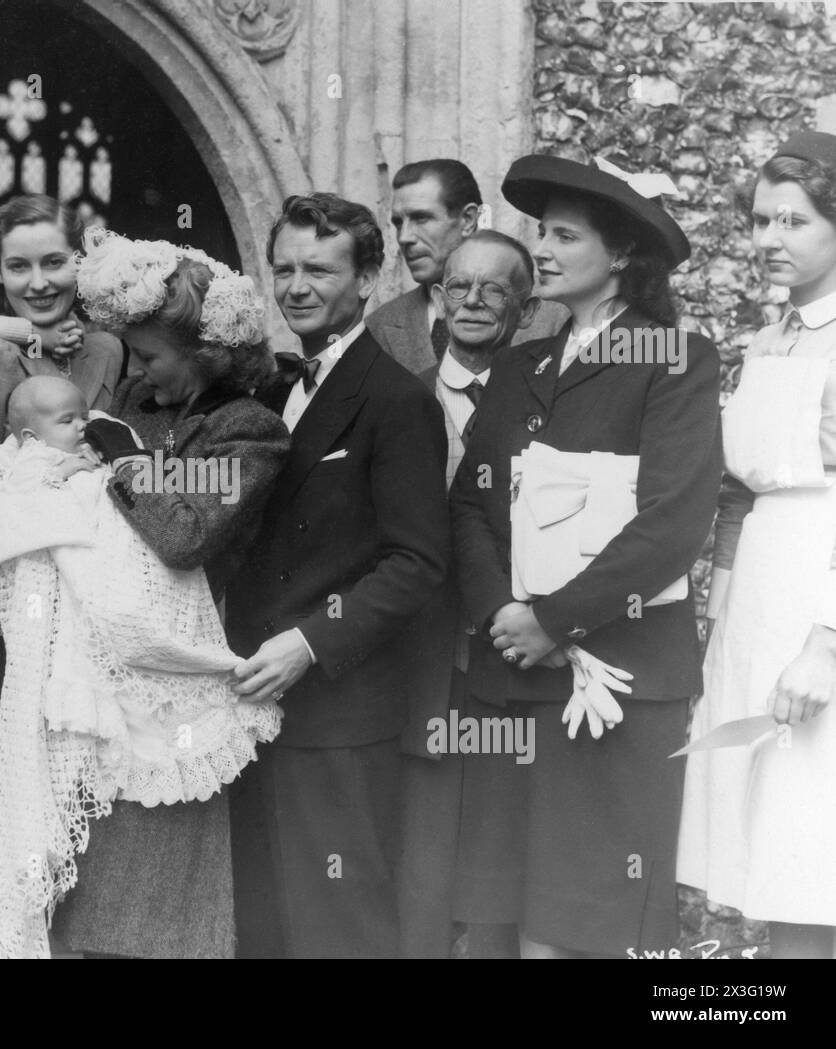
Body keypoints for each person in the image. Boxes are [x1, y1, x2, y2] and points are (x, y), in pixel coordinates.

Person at [449, 154, 722, 958]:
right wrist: (504, 612)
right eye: (540, 230)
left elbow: (673, 522)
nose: (542, 247)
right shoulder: (520, 366)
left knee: (577, 929)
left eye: (565, 235)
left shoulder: (675, 359)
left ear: (624, 255)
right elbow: (471, 502)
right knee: (495, 922)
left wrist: (556, 620)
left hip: (616, 687)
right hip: (513, 681)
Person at [0, 375, 281, 957]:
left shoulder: (194, 431)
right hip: (59, 640)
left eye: (83, 415)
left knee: (144, 887)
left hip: (132, 622)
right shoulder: (21, 460)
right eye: (66, 421)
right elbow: (4, 512)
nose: (84, 426)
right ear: (27, 434)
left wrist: (108, 469)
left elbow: (174, 533)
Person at [38, 229, 290, 958]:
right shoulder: (142, 404)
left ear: (206, 355)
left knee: (158, 914)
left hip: (177, 695)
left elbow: (184, 536)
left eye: (150, 356)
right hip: (100, 679)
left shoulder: (247, 430)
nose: (138, 371)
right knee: (85, 911)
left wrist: (123, 462)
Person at [227, 193, 450, 958]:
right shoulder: (265, 393)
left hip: (338, 710)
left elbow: (416, 561)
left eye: (318, 269)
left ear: (366, 279)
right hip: (249, 700)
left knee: (339, 930)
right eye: (283, 268)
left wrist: (310, 644)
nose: (296, 286)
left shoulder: (397, 399)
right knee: (263, 927)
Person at [679, 131, 836, 960]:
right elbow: (738, 492)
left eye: (795, 221)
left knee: (814, 857)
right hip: (758, 607)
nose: (769, 239)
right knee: (766, 860)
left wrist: (823, 645)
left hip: (819, 605)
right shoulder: (770, 337)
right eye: (761, 220)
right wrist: (722, 620)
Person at [398, 230, 543, 958]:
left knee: (499, 861)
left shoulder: (549, 400)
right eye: (460, 287)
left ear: (526, 305)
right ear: (438, 296)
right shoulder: (401, 398)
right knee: (421, 858)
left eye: (496, 290)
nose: (475, 303)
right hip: (417, 661)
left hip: (512, 655)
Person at [0, 194, 124, 457]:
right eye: (18, 267)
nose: (38, 283)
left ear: (80, 262)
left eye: (54, 262)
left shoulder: (108, 350)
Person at [367, 158, 564, 375]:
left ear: (468, 219)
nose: (404, 238)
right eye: (397, 223)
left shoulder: (553, 318)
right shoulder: (380, 327)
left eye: (421, 218)